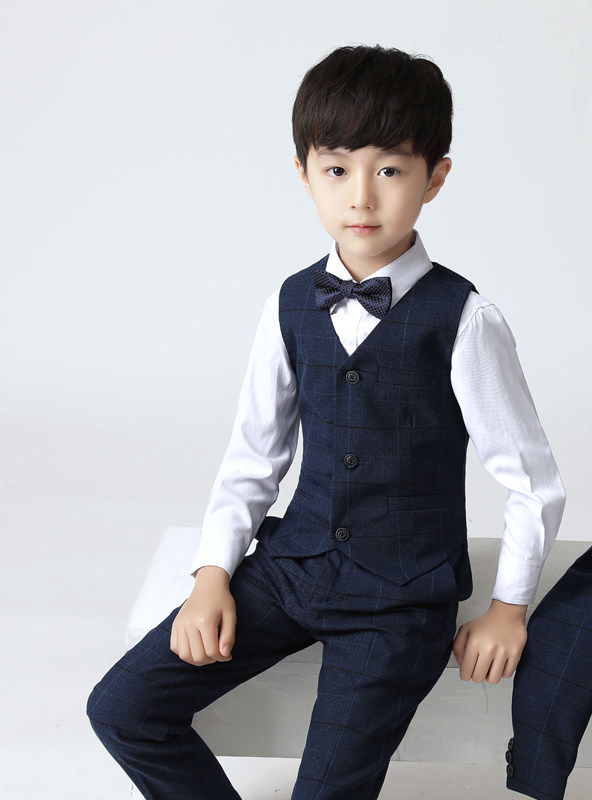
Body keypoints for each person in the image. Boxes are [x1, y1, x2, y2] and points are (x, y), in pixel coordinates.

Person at [87, 44, 565, 800]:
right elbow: (254, 456)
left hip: (400, 602)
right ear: (304, 173)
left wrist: (508, 607)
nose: (361, 198)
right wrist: (212, 576)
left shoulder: (465, 319)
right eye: (337, 169)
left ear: (436, 177)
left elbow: (532, 480)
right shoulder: (288, 303)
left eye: (390, 170)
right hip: (294, 568)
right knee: (121, 709)